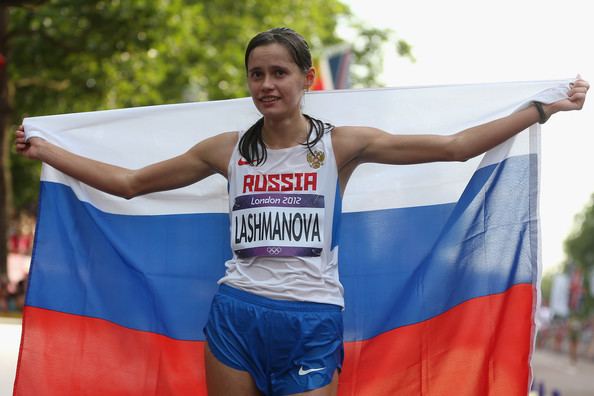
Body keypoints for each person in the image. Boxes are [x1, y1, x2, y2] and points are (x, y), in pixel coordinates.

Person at [15, 27, 589, 396]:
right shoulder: (226, 149)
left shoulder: (342, 144)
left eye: (279, 72)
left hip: (311, 320)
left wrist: (541, 108)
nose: (266, 84)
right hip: (236, 313)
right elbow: (132, 183)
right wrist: (48, 151)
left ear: (306, 79)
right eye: (257, 74)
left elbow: (454, 148)